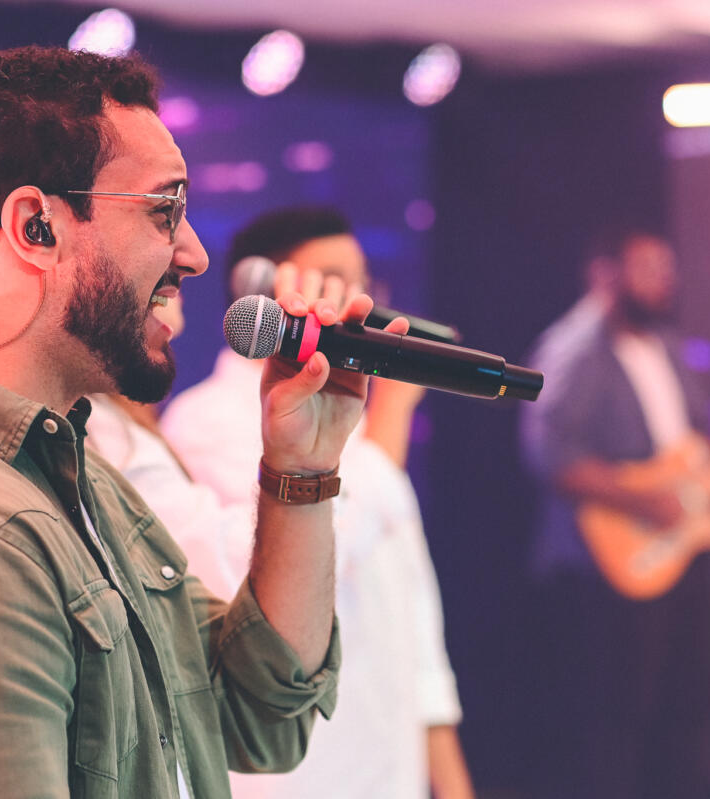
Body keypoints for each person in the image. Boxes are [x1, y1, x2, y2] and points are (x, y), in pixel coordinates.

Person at [0, 46, 383, 799]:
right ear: (37, 227)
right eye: (164, 210)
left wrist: (302, 469)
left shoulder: (64, 467)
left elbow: (258, 716)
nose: (194, 254)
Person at [155, 207, 475, 799]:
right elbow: (298, 570)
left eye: (361, 281)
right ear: (261, 286)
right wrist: (391, 416)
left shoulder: (364, 429)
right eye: (331, 278)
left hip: (391, 771)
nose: (354, 299)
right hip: (302, 777)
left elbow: (414, 627)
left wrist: (452, 784)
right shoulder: (205, 421)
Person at [521, 228, 710, 799]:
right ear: (605, 273)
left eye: (667, 268)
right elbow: (551, 454)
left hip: (676, 552)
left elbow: (695, 443)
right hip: (602, 563)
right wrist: (642, 500)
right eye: (647, 268)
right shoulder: (576, 347)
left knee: (687, 706)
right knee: (613, 722)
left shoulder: (665, 344)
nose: (663, 281)